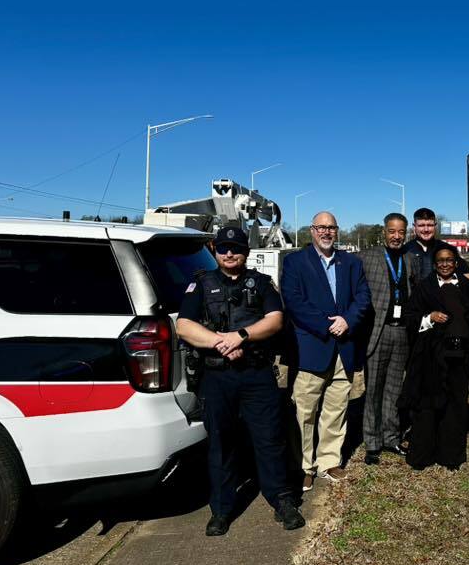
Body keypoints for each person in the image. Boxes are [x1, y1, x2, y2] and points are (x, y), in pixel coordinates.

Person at [176, 226, 305, 535]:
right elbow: (183, 326)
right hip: (217, 377)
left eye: (235, 248)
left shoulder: (262, 284)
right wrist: (220, 342)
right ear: (215, 250)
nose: (229, 253)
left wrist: (241, 337)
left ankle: (282, 500)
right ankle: (221, 509)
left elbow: (275, 321)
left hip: (256, 374)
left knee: (269, 439)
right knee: (221, 443)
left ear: (246, 251)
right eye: (223, 248)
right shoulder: (200, 285)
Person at [281, 212, 371, 492]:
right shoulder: (295, 261)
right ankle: (304, 465)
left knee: (336, 408)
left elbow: (363, 297)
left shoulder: (351, 262)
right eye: (321, 227)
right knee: (305, 411)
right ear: (312, 230)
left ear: (337, 230)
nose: (327, 232)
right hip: (312, 347)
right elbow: (294, 301)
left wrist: (347, 320)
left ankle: (329, 460)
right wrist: (325, 325)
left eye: (331, 227)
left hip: (343, 347)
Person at [399, 243, 469, 470]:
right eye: (440, 261)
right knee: (428, 405)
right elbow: (410, 315)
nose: (444, 264)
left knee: (456, 405)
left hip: (460, 354)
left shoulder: (466, 285)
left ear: (456, 263)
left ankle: (451, 456)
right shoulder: (425, 287)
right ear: (434, 265)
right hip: (432, 355)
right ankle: (423, 453)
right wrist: (429, 317)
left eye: (449, 260)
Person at [359, 213, 417, 465]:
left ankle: (391, 437)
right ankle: (372, 442)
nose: (396, 236)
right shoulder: (367, 257)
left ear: (406, 233)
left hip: (401, 330)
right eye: (392, 231)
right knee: (373, 389)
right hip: (377, 331)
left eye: (401, 232)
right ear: (384, 232)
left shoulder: (410, 259)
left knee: (394, 388)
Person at [403, 207, 469, 282]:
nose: (426, 229)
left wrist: (449, 285)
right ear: (414, 227)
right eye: (421, 225)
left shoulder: (447, 248)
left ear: (435, 226)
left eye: (430, 225)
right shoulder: (405, 249)